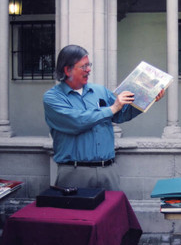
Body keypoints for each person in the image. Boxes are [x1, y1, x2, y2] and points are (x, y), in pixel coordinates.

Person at [43, 44, 164, 191]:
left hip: (108, 170)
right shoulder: (52, 97)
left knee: (111, 212)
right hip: (74, 172)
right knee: (76, 214)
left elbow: (120, 114)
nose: (89, 70)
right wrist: (112, 108)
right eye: (83, 66)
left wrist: (146, 98)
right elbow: (77, 121)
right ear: (67, 70)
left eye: (89, 65)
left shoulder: (99, 91)